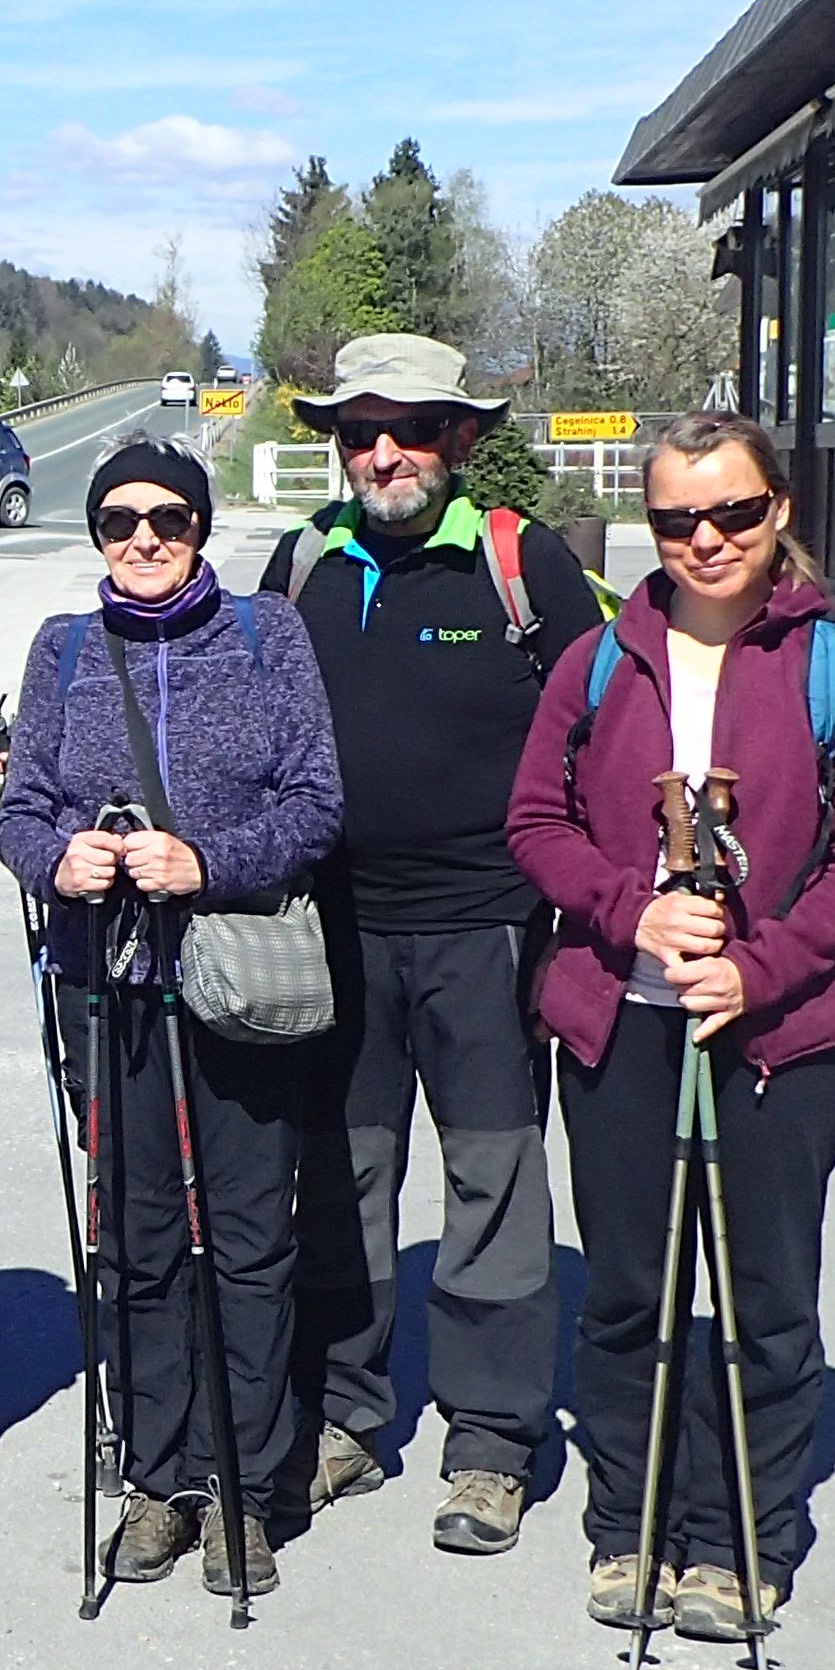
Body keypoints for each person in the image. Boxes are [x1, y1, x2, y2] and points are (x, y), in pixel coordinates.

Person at [509, 411, 835, 1641]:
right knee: (631, 1297)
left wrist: (760, 967)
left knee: (763, 1302)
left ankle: (740, 1540)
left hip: (781, 1040)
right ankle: (628, 1526)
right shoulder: (599, 662)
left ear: (778, 508)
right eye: (678, 518)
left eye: (734, 512)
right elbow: (535, 822)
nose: (707, 539)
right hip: (622, 1026)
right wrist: (629, 912)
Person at [261, 330, 606, 1557]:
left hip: (487, 930)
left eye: (409, 429)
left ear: (458, 438)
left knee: (492, 1188)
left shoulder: (522, 562)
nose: (384, 453)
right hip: (335, 932)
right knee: (341, 1187)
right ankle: (345, 1418)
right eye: (360, 433)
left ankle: (493, 1443)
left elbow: (601, 732)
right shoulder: (303, 563)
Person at [0, 441, 343, 1600]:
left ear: (200, 527)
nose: (143, 539)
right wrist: (61, 860)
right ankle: (155, 1474)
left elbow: (316, 803)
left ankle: (243, 1482)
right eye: (119, 522)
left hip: (236, 979)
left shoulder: (263, 635)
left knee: (246, 1240)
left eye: (169, 520)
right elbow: (21, 811)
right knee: (135, 1240)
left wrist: (206, 863)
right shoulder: (64, 649)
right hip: (110, 986)